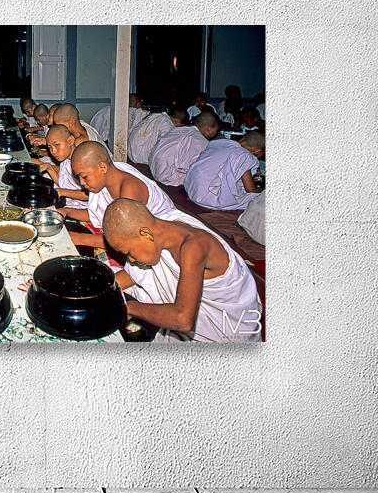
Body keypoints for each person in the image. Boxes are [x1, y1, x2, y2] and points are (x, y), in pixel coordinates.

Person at [103, 199, 262, 343]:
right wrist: (102, 293)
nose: (130, 259)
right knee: (108, 275)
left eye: (128, 252)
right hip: (185, 311)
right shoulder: (161, 229)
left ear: (145, 234)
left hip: (225, 331)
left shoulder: (194, 247)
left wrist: (129, 307)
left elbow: (183, 320)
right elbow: (133, 275)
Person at [62, 141, 175, 250]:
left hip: (161, 239)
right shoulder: (105, 179)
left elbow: (125, 240)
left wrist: (78, 238)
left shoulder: (130, 189)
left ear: (102, 167)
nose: (82, 182)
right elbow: (97, 214)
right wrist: (66, 211)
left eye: (84, 176)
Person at [184, 131, 265, 210]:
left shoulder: (220, 143)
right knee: (261, 198)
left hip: (191, 189)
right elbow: (250, 190)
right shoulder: (244, 155)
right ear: (257, 150)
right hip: (207, 198)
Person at [148, 111, 220, 186]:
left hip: (153, 169)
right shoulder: (199, 141)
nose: (217, 133)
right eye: (216, 130)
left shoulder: (180, 130)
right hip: (166, 177)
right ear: (209, 129)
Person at [34, 124, 88, 208]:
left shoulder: (82, 161)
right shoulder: (65, 159)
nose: (53, 151)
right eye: (50, 147)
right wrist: (49, 168)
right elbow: (62, 184)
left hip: (84, 207)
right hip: (69, 200)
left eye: (57, 145)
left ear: (70, 141)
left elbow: (88, 195)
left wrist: (62, 192)